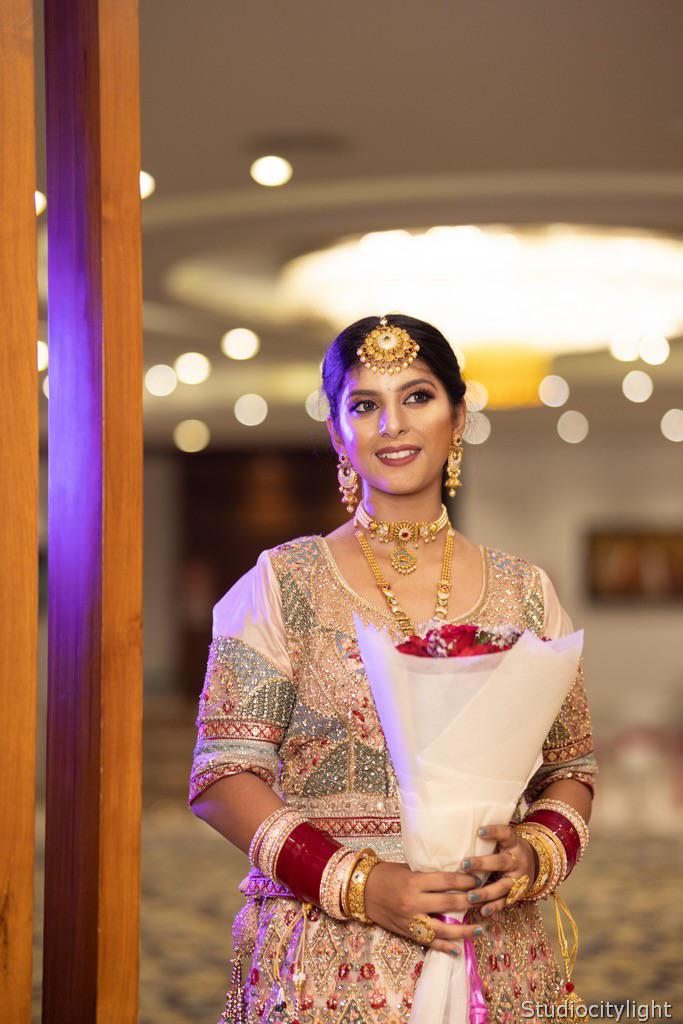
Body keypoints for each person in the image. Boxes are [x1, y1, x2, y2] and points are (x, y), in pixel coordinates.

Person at [189, 314, 598, 1024]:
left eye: (417, 396)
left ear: (458, 417)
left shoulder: (526, 593)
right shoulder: (282, 583)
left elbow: (573, 767)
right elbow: (221, 778)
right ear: (336, 431)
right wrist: (361, 883)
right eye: (363, 404)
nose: (392, 425)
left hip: (493, 945)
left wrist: (533, 854)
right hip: (328, 958)